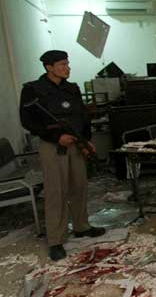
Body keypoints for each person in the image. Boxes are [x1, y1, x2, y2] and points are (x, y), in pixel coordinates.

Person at [19, 50, 105, 262]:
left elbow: (82, 116)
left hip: (76, 143)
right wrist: (56, 136)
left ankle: (81, 226)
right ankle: (56, 240)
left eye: (67, 64)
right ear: (49, 67)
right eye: (62, 65)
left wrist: (86, 140)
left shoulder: (72, 88)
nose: (67, 68)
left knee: (79, 186)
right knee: (56, 191)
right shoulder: (32, 90)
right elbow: (28, 121)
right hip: (52, 145)